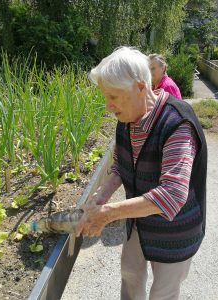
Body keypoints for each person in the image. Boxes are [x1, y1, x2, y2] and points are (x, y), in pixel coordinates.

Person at [75, 46, 207, 300]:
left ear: (139, 87)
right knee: (130, 275)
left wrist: (109, 214)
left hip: (175, 232)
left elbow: (173, 195)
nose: (108, 106)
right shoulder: (126, 118)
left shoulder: (177, 123)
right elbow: (119, 166)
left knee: (163, 294)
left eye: (113, 96)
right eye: (106, 97)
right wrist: (101, 197)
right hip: (138, 220)